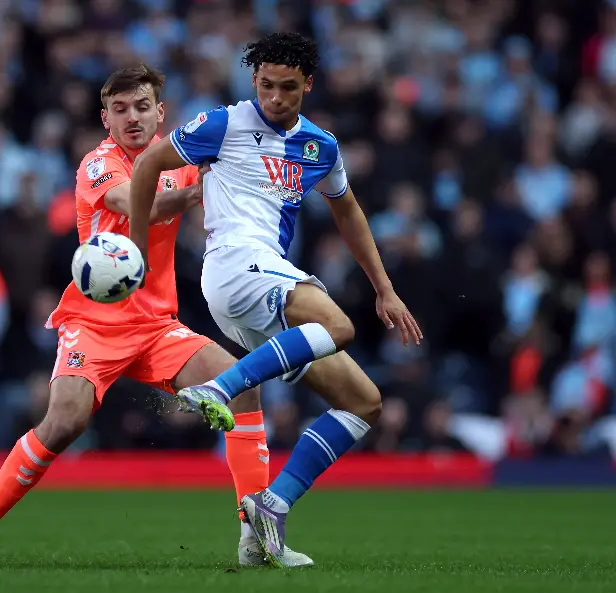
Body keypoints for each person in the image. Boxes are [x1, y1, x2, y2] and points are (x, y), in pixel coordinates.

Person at [0, 64, 312, 568]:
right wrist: (195, 191)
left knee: (244, 386)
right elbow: (136, 204)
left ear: (160, 113)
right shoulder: (98, 164)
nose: (132, 117)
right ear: (105, 119)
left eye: (141, 107)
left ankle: (255, 540)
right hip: (94, 324)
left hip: (156, 327)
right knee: (64, 422)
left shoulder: (180, 160)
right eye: (120, 109)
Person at [129, 33, 422, 567]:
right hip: (235, 263)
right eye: (266, 85)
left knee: (363, 402)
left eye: (288, 87)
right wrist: (136, 245)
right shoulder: (223, 124)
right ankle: (220, 386)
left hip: (262, 285)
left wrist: (385, 288)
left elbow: (348, 211)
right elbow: (148, 165)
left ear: (308, 84)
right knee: (340, 327)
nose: (275, 97)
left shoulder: (320, 146)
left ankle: (271, 507)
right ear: (253, 80)